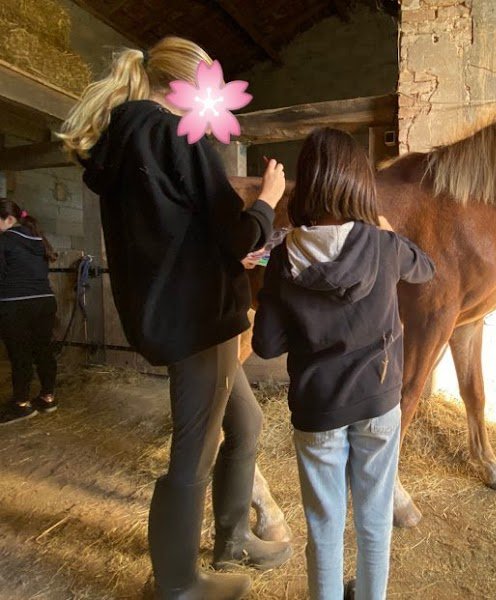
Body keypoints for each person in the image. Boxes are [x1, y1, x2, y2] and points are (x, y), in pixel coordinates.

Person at [59, 37, 291, 599]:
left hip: (176, 312)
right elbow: (238, 236)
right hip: (199, 318)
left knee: (247, 425)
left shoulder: (128, 139)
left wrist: (233, 240)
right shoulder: (176, 136)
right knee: (194, 451)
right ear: (189, 88)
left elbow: (180, 233)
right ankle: (178, 584)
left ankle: (233, 540)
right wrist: (268, 199)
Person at [252, 127, 436, 600]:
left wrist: (301, 321)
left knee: (324, 526)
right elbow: (426, 268)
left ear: (307, 184)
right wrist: (389, 232)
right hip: (378, 402)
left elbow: (266, 345)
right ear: (359, 184)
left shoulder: (282, 258)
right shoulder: (384, 246)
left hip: (318, 410)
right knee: (375, 521)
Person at [0, 201, 58, 425]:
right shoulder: (38, 239)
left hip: (15, 304)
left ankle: (21, 404)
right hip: (44, 301)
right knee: (44, 350)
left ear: (9, 219)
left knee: (20, 354)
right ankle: (47, 397)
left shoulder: (4, 240)